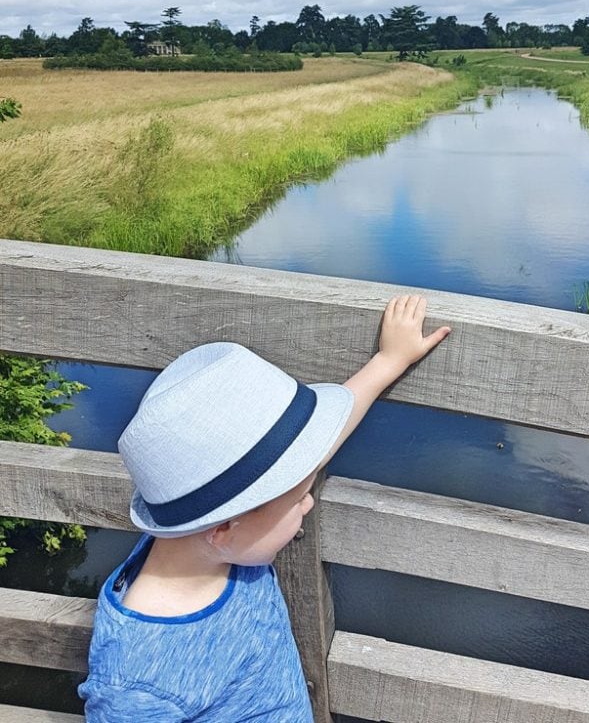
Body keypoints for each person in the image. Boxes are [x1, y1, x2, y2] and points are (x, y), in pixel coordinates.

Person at [79, 294, 450, 721]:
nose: (309, 503)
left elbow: (302, 459)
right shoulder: (136, 684)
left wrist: (388, 361)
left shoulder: (206, 531)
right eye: (297, 500)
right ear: (223, 528)